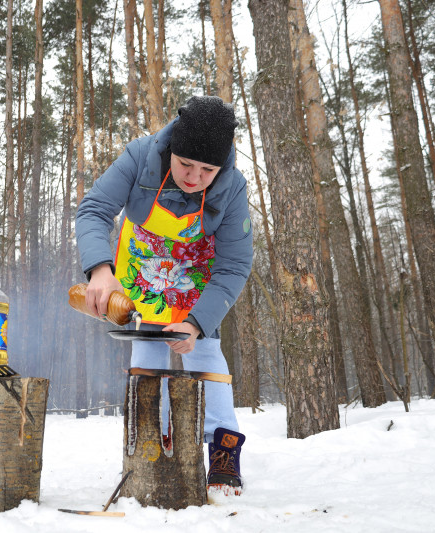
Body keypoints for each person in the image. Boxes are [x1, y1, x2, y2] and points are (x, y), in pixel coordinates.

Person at [76, 95, 253, 494]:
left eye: (207, 170)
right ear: (172, 148)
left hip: (194, 271)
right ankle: (152, 445)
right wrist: (100, 270)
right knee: (149, 351)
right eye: (185, 163)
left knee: (204, 353)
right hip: (143, 263)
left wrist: (196, 322)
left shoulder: (233, 188)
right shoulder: (140, 155)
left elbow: (235, 265)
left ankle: (224, 454)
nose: (194, 177)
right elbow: (94, 209)